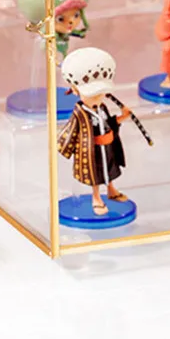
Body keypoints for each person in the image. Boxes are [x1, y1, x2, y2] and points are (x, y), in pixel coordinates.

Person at [58, 48, 132, 216]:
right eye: (92, 94)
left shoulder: (102, 107)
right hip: (93, 150)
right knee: (96, 174)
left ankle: (111, 190)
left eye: (100, 93)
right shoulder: (80, 113)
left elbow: (109, 123)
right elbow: (71, 130)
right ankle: (96, 197)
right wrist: (64, 144)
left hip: (108, 146)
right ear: (76, 91)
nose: (98, 97)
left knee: (110, 169)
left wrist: (123, 117)